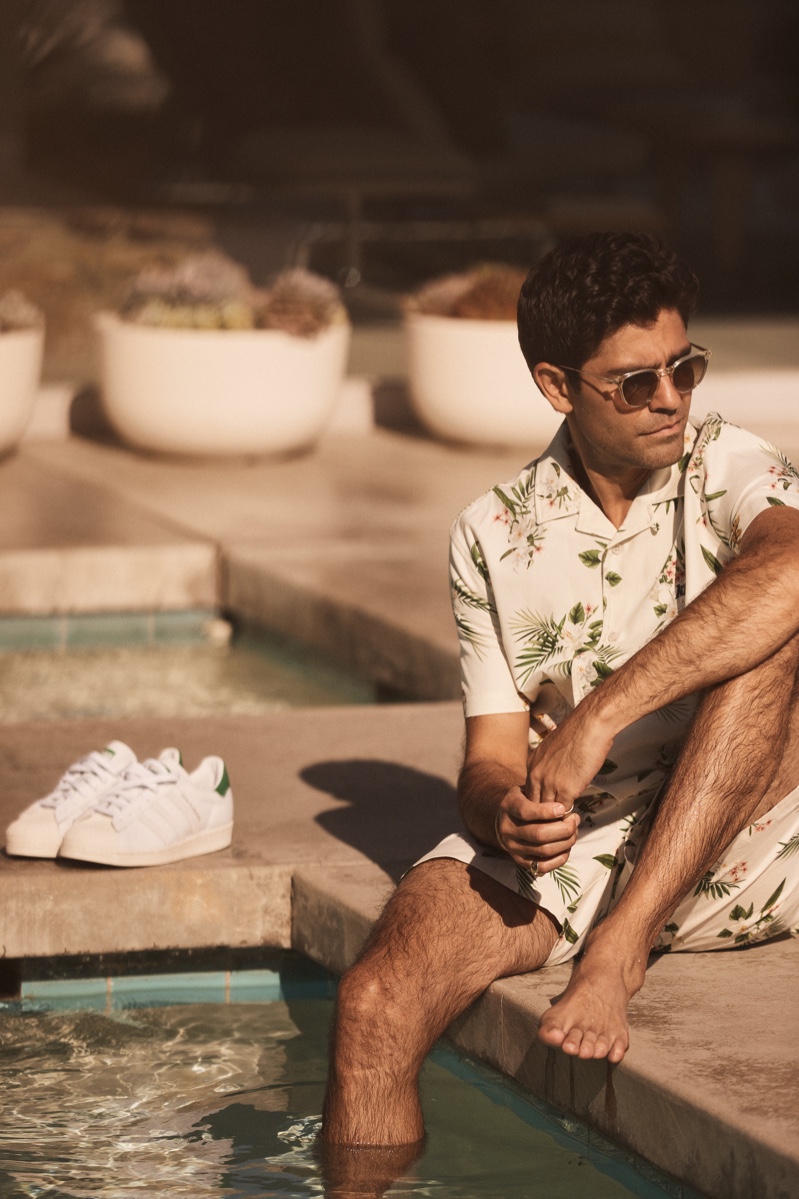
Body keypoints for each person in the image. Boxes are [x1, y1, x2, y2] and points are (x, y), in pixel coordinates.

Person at [321, 231, 799, 1157]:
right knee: (374, 1001)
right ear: (555, 385)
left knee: (767, 640)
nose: (670, 398)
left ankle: (621, 948)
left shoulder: (726, 462)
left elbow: (791, 565)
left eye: (683, 366)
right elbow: (490, 761)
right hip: (586, 840)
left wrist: (595, 717)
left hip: (761, 829)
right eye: (633, 382)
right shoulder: (491, 533)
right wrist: (505, 813)